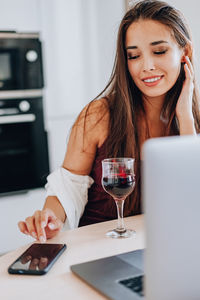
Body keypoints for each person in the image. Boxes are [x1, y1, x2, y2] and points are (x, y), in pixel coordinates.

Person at [18, 0, 200, 243]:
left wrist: (185, 117)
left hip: (162, 251)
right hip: (100, 251)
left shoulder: (193, 118)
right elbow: (68, 187)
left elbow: (193, 201)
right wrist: (52, 217)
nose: (146, 66)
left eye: (159, 51)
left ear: (185, 53)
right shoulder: (100, 114)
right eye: (133, 55)